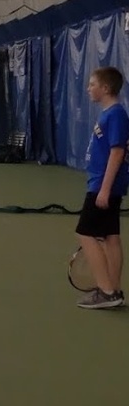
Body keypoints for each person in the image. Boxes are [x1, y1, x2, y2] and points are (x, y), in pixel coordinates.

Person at [75, 66, 128, 309]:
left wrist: (104, 190)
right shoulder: (109, 114)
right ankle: (114, 291)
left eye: (92, 84)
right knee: (110, 237)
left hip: (102, 185)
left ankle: (106, 291)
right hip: (103, 183)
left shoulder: (115, 114)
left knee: (85, 233)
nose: (88, 89)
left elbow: (117, 152)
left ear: (105, 88)